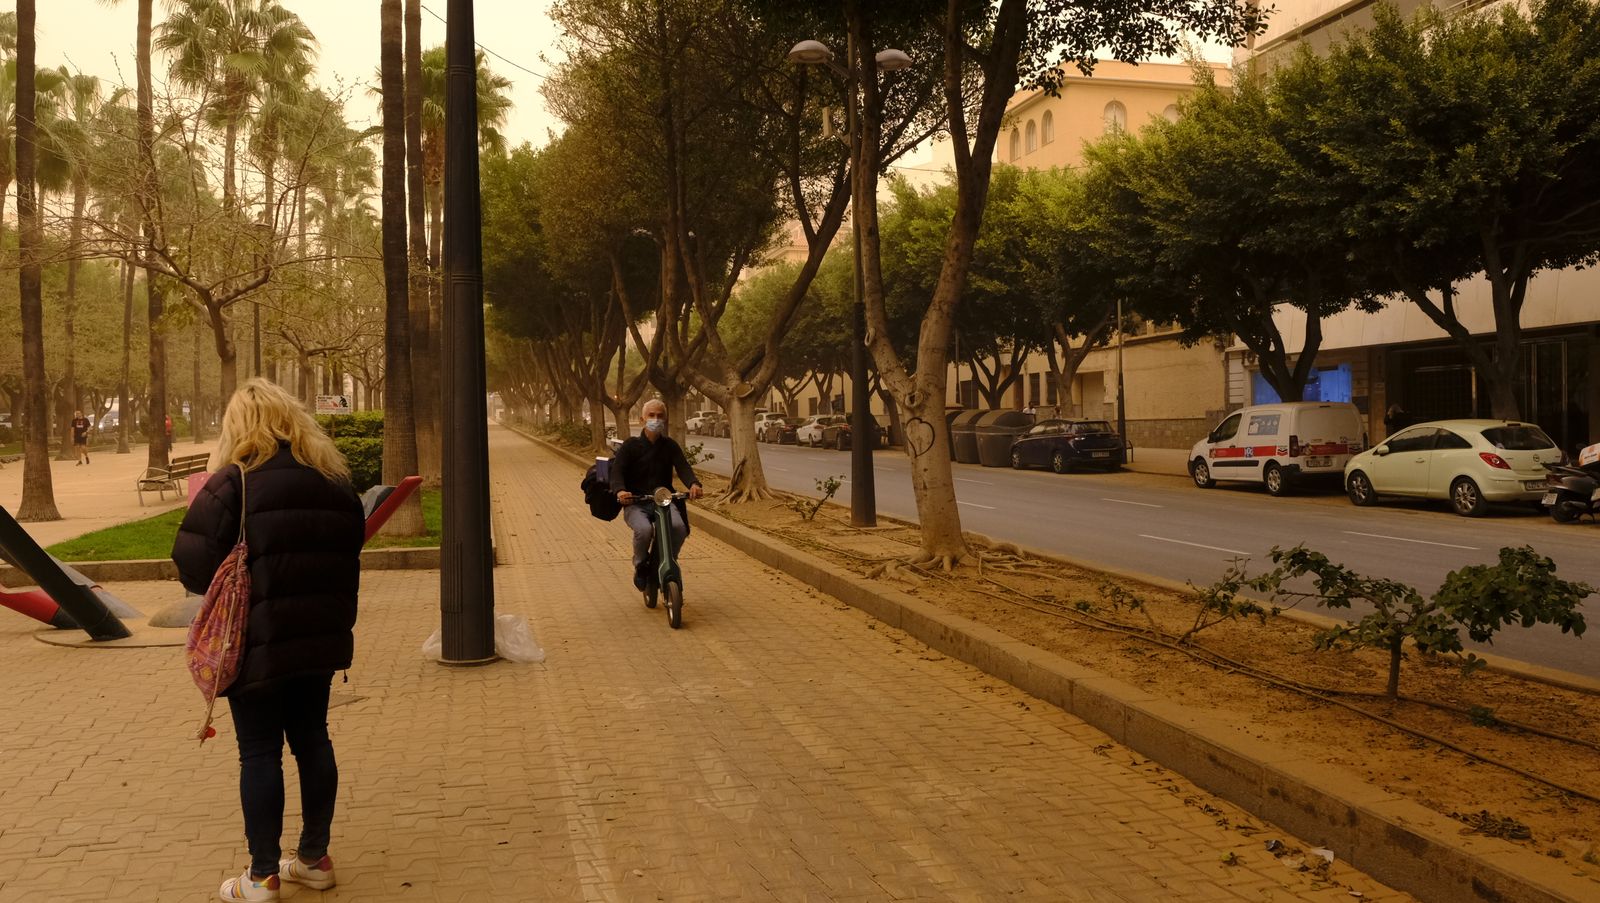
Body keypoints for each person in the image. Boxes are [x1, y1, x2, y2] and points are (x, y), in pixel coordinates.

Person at [171, 379, 364, 903]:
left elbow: (190, 564)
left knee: (259, 753)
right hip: (320, 640)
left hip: (255, 643)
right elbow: (351, 549)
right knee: (313, 739)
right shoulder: (334, 480)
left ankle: (261, 877)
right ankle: (313, 859)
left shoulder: (232, 483)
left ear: (238, 426)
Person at [609, 398, 703, 595]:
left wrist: (694, 484)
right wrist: (620, 491)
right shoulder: (631, 446)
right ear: (643, 419)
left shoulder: (670, 446)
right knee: (644, 530)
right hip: (636, 503)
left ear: (665, 419)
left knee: (678, 528)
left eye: (660, 416)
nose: (656, 419)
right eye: (651, 415)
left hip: (664, 501)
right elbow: (617, 471)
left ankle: (667, 559)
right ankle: (641, 565)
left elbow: (683, 468)